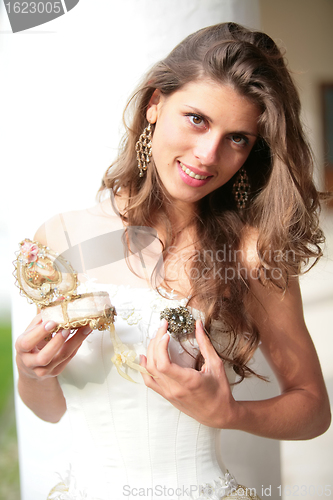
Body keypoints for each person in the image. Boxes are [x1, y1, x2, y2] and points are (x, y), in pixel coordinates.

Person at [15, 22, 331, 500]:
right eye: (198, 119)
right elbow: (51, 410)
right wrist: (31, 373)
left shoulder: (251, 254)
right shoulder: (62, 237)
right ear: (155, 104)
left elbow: (313, 410)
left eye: (238, 138)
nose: (208, 155)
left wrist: (229, 413)